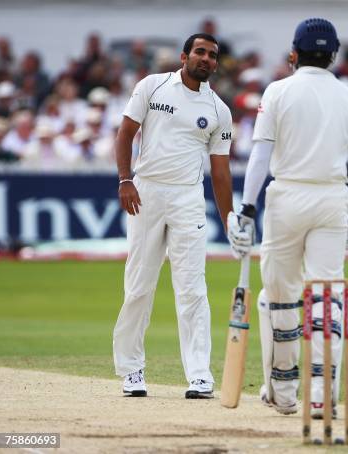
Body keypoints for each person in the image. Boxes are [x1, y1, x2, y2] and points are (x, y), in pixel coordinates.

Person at [227, 18, 348, 416]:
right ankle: (321, 396)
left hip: (286, 198)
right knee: (327, 297)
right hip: (332, 199)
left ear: (294, 53)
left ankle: (285, 390)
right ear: (334, 55)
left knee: (280, 298)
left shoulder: (278, 90)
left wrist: (247, 207)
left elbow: (260, 154)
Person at [113, 33, 242, 399]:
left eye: (212, 55)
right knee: (139, 285)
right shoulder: (153, 87)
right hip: (147, 190)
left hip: (188, 198)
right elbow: (125, 135)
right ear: (185, 56)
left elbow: (220, 171)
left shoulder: (219, 110)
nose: (206, 58)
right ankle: (132, 370)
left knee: (192, 289)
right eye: (199, 52)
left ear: (216, 64)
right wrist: (125, 179)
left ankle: (200, 375)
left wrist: (230, 218)